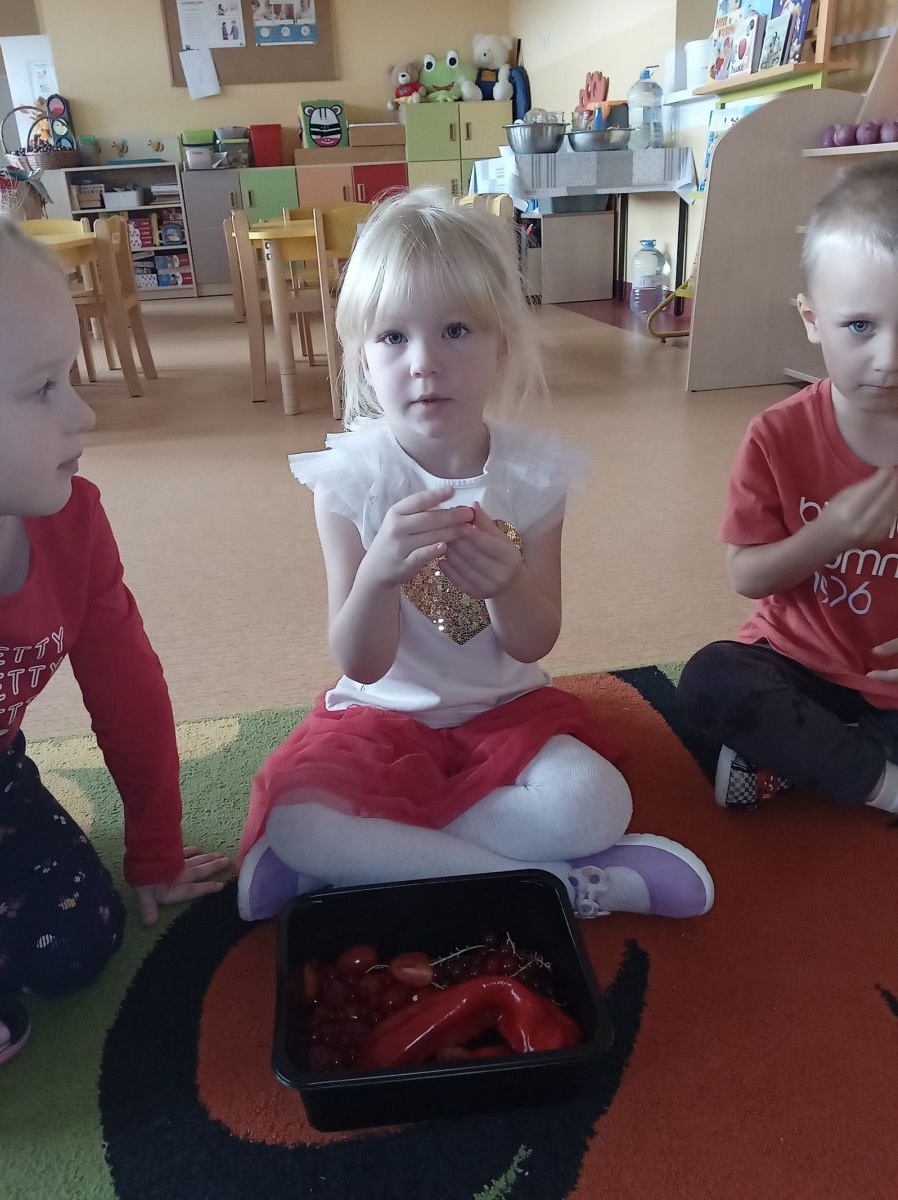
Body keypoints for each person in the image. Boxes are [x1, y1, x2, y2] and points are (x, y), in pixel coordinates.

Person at [238, 188, 714, 923]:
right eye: (392, 337)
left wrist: (509, 585)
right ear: (362, 359)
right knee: (298, 821)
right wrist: (378, 578)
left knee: (595, 801)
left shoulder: (533, 478)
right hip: (379, 718)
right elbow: (360, 663)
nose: (424, 362)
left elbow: (535, 641)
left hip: (505, 711)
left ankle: (358, 865)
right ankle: (559, 884)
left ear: (503, 347)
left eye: (455, 330)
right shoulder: (350, 484)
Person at [0, 219, 229, 1065]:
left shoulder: (73, 524)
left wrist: (156, 847)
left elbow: (129, 691)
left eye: (69, 377)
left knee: (80, 941)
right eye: (41, 388)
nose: (83, 411)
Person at [678, 161, 898, 815]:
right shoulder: (777, 435)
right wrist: (829, 534)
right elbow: (747, 576)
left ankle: (810, 762)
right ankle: (879, 782)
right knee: (711, 680)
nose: (889, 359)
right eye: (860, 327)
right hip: (799, 667)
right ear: (812, 318)